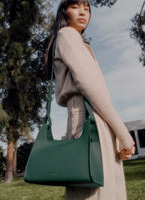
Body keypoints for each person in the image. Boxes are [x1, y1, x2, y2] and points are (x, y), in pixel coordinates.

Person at [45, 0, 135, 199]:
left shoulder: (78, 41)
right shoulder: (67, 34)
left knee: (101, 187)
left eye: (87, 8)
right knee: (94, 190)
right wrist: (123, 133)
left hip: (92, 114)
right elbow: (88, 85)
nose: (83, 12)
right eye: (76, 6)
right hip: (86, 115)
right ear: (64, 11)